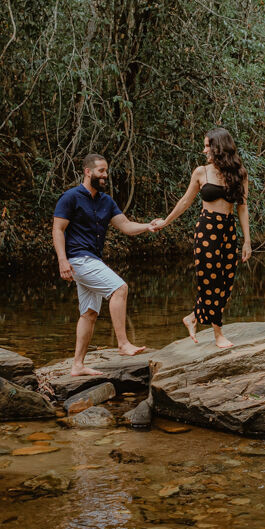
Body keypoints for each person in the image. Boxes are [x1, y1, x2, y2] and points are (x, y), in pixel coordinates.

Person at [53, 153, 154, 376]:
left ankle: (77, 365)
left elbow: (126, 226)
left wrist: (148, 226)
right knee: (120, 288)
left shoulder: (106, 201)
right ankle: (123, 343)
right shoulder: (70, 197)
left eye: (106, 171)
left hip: (92, 260)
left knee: (89, 313)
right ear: (87, 171)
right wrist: (62, 260)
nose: (105, 175)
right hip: (79, 258)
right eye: (101, 171)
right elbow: (58, 229)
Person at [152, 127, 251, 348]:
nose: (204, 149)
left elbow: (243, 208)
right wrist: (166, 222)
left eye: (207, 145)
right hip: (207, 228)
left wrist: (247, 241)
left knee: (226, 281)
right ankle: (218, 334)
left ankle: (193, 317)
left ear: (219, 147)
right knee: (211, 280)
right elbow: (185, 201)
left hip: (228, 229)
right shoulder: (201, 172)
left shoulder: (240, 173)